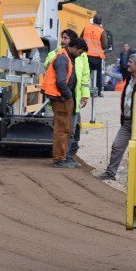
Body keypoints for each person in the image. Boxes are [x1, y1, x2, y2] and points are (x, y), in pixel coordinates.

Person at [99, 53, 136, 181]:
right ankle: (110, 173)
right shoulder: (129, 79)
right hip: (127, 122)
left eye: (130, 62)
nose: (127, 64)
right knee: (117, 146)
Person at [44, 29, 90, 167]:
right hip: (61, 98)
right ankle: (60, 159)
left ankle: (63, 157)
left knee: (66, 128)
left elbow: (83, 77)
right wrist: (69, 96)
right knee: (62, 129)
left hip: (64, 97)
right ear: (75, 48)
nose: (80, 55)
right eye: (80, 52)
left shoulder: (68, 57)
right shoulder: (62, 58)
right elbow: (61, 82)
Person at [81, 15, 109, 97]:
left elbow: (80, 39)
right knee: (98, 75)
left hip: (86, 55)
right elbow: (104, 45)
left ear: (93, 21)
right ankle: (99, 91)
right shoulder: (102, 31)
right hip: (96, 57)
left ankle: (84, 91)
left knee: (86, 74)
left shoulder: (86, 28)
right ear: (101, 22)